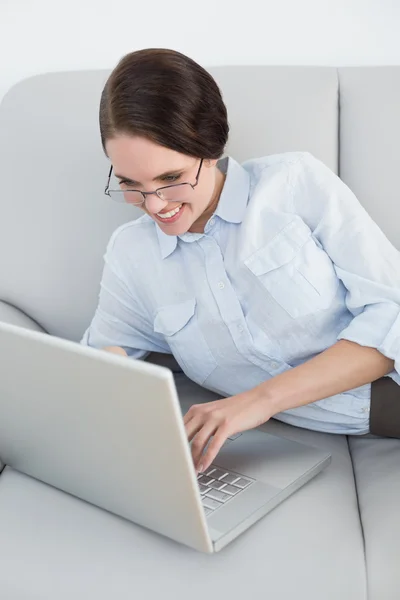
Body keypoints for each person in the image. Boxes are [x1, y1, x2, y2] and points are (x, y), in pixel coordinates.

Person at [82, 48, 400, 474]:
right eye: (130, 184)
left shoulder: (294, 184)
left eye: (171, 179)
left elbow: (391, 312)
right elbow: (101, 359)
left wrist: (258, 401)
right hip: (318, 438)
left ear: (209, 147)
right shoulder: (132, 256)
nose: (155, 205)